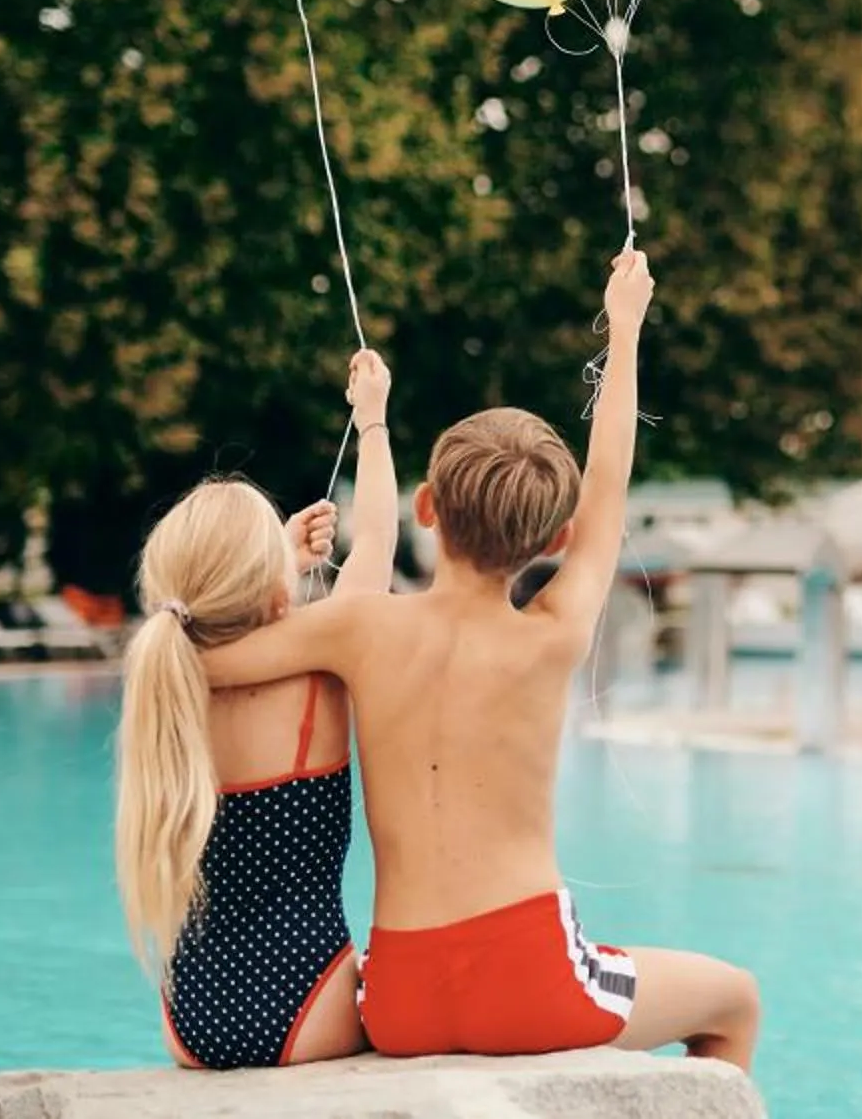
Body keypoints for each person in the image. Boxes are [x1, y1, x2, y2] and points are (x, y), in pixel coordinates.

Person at [198, 250, 761, 1072]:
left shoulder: (359, 628)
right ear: (556, 540)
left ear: (426, 509)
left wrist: (285, 555)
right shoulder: (554, 631)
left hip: (400, 1000)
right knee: (736, 999)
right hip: (529, 983)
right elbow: (608, 481)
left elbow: (209, 656)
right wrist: (627, 328)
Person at [114, 348, 401, 1069]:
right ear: (273, 592)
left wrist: (271, 566)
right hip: (308, 1001)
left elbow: (216, 611)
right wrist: (372, 420)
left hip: (193, 1013)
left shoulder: (168, 686)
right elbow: (376, 545)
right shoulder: (318, 675)